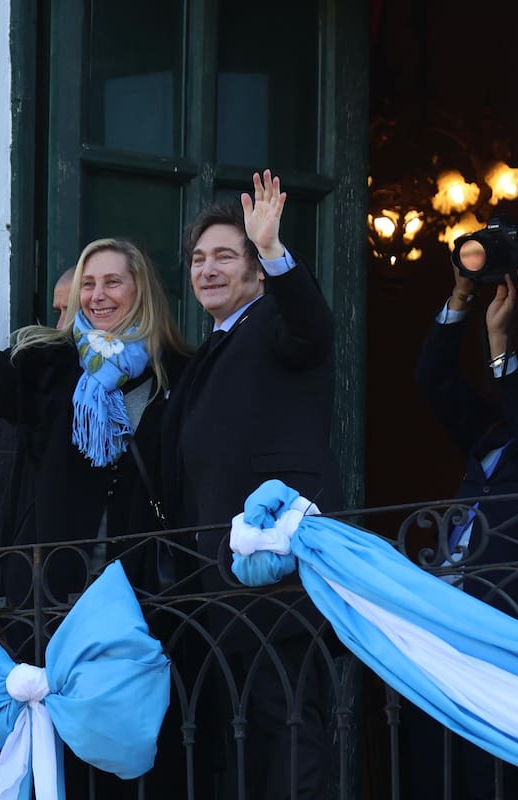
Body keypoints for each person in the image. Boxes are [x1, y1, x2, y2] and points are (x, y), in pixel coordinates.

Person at [0, 215, 189, 797]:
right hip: (49, 608)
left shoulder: (180, 377)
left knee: (134, 773)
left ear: (141, 290)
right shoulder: (46, 369)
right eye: (88, 286)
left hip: (143, 606)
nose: (97, 296)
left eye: (112, 283)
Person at [160, 171, 344, 799]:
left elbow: (313, 325)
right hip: (219, 584)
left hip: (280, 572)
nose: (207, 269)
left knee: (289, 723)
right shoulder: (212, 346)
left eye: (225, 257)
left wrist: (272, 248)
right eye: (198, 259)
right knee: (247, 734)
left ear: (257, 272)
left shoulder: (274, 320)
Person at [404, 261, 518, 800]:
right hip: (446, 634)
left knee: (487, 780)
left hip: (496, 639)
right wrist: (460, 296)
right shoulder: (490, 437)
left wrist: (500, 336)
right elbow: (432, 379)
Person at [0, 267, 75, 577]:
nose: (61, 325)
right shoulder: (37, 373)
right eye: (58, 312)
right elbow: (0, 490)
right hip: (41, 581)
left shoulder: (162, 375)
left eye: (71, 311)